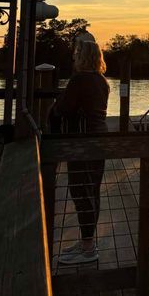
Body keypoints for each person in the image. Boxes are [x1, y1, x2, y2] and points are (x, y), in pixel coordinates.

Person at [51, 40, 109, 265]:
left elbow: (65, 108)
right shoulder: (101, 81)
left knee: (80, 192)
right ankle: (87, 241)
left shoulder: (79, 80)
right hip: (99, 140)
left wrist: (55, 106)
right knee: (92, 192)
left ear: (81, 56)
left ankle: (88, 249)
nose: (73, 57)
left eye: (76, 53)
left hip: (81, 142)